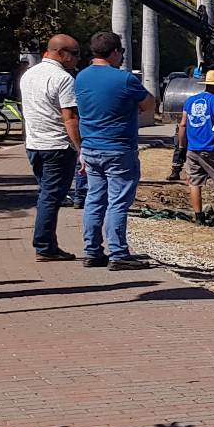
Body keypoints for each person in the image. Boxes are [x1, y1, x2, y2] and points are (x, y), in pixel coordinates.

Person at [73, 32, 155, 270]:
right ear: (116, 52)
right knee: (117, 201)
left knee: (94, 199)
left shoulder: (81, 77)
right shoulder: (125, 79)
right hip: (118, 148)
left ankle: (92, 250)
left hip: (90, 147)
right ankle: (118, 253)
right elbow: (149, 104)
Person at [18, 34, 83, 261]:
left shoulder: (29, 75)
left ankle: (47, 242)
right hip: (57, 145)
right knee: (51, 197)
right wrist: (79, 148)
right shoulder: (64, 79)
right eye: (74, 54)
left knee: (46, 193)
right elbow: (70, 118)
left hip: (34, 144)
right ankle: (45, 245)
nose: (77, 59)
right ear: (60, 53)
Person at [178, 69, 214, 224]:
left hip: (192, 148)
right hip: (211, 149)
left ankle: (198, 217)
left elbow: (183, 124)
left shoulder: (190, 101)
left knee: (194, 183)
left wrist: (182, 147)